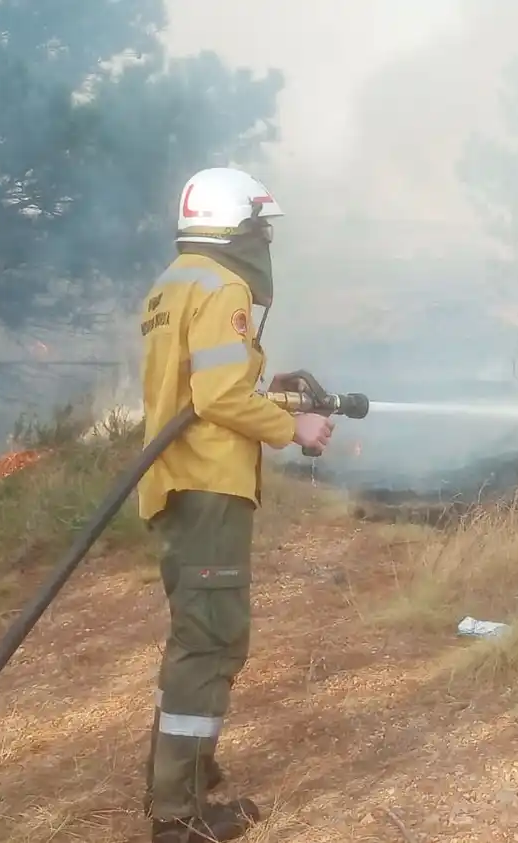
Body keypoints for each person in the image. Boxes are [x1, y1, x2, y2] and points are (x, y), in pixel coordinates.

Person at [136, 166, 335, 843]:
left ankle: (182, 775)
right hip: (210, 486)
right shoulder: (224, 287)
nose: (265, 241)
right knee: (211, 640)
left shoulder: (174, 283)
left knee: (195, 635)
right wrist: (293, 427)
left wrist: (267, 389)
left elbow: (205, 389)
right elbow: (219, 398)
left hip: (177, 480)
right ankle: (178, 814)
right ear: (238, 226)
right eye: (260, 226)